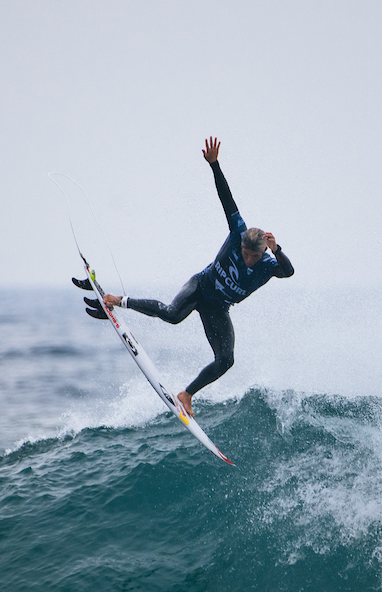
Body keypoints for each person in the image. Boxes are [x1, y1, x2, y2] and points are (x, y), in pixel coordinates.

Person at [84, 137, 294, 418]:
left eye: (249, 255)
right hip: (201, 286)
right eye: (242, 251)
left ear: (260, 253)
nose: (244, 257)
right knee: (172, 314)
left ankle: (186, 394)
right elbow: (226, 198)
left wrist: (277, 249)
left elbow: (289, 271)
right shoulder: (238, 233)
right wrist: (214, 165)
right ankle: (116, 300)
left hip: (218, 307)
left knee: (226, 360)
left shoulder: (268, 264)